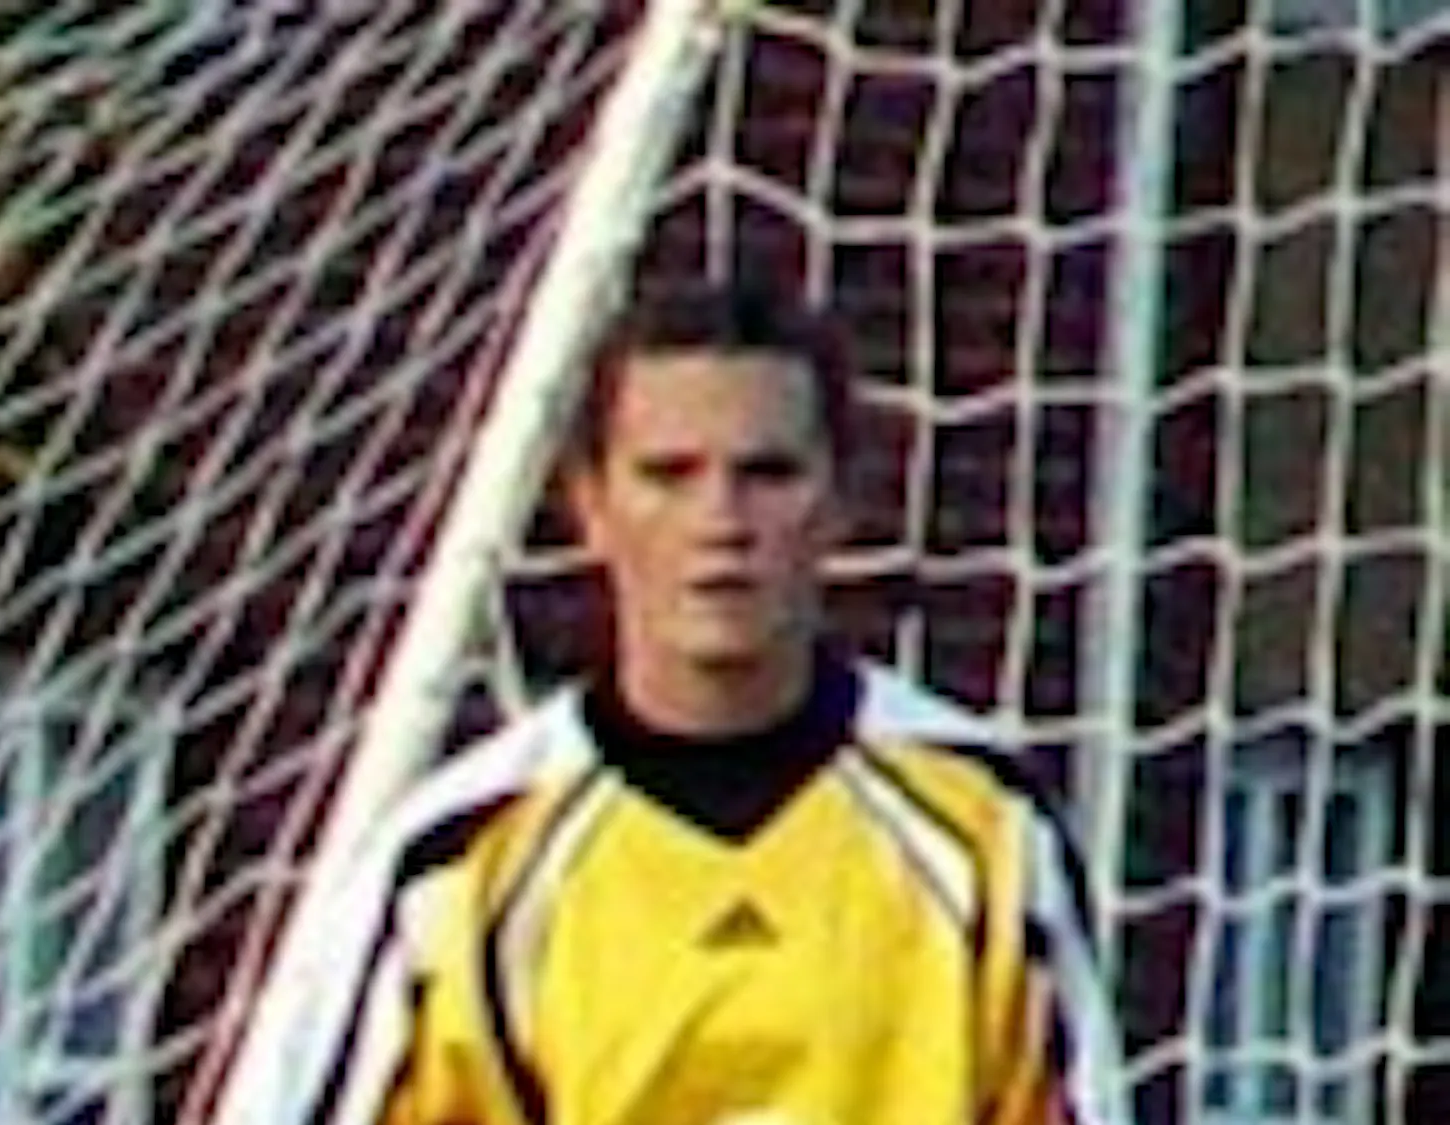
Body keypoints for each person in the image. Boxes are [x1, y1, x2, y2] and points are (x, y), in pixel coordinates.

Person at [261, 277, 1128, 1125]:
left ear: (842, 504)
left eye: (769, 473)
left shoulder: (988, 830)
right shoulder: (458, 862)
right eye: (669, 474)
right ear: (591, 506)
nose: (721, 520)